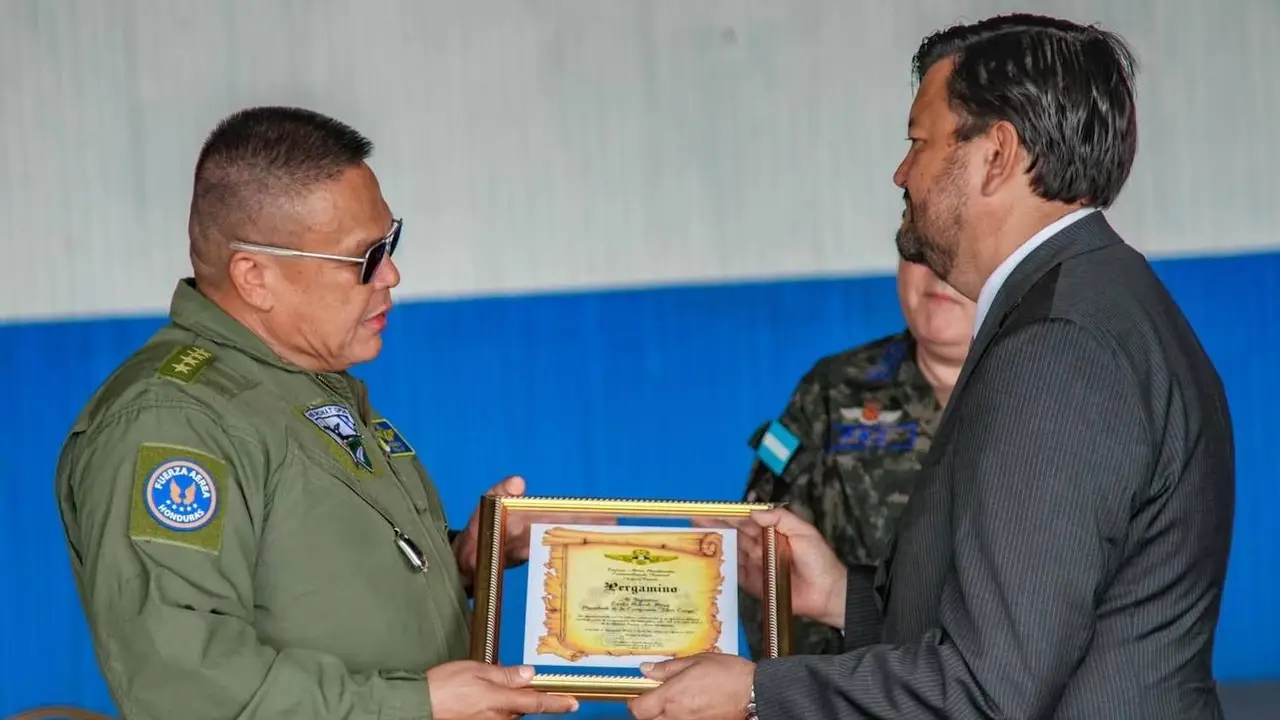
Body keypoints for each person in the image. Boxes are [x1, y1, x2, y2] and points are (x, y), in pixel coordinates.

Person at [628, 13, 1234, 720]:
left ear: (997, 154)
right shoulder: (1095, 302)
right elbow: (1034, 622)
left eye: (919, 140)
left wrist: (760, 690)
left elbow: (988, 689)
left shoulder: (1060, 345)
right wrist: (840, 597)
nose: (902, 171)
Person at [53, 106, 580, 720]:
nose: (391, 274)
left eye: (392, 242)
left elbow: (316, 588)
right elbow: (182, 680)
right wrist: (417, 705)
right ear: (254, 277)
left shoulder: (297, 386)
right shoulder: (176, 420)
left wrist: (466, 561)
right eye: (365, 257)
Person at [737, 258, 974, 659]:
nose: (939, 271)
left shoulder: (1055, 385)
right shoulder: (832, 390)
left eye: (956, 251)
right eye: (919, 250)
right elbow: (767, 568)